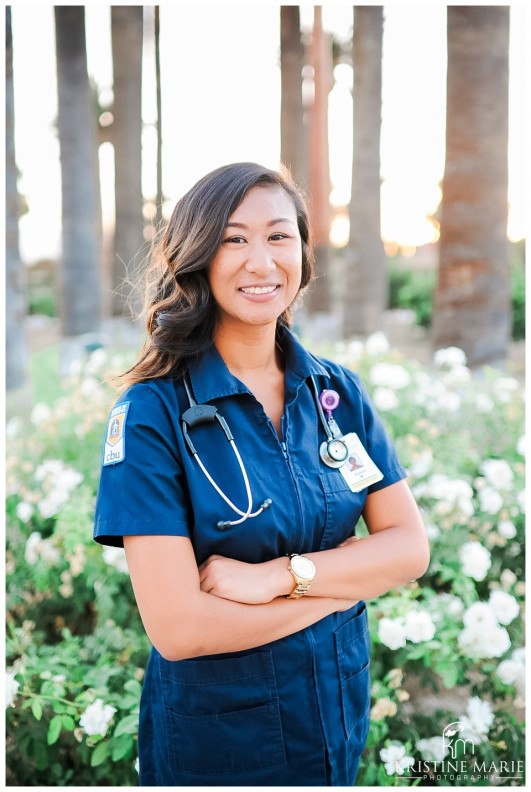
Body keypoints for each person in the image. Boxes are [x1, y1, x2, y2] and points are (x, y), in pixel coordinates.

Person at [93, 162, 429, 786]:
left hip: (334, 721)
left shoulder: (337, 393)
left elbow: (409, 549)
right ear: (196, 258)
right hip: (219, 745)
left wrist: (278, 578)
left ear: (302, 251)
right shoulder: (152, 414)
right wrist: (347, 587)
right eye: (233, 239)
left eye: (279, 236)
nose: (261, 261)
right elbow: (181, 628)